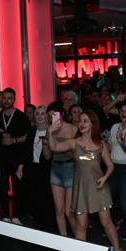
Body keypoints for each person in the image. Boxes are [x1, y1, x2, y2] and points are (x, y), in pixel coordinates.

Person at [48, 109, 125, 251]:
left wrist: (105, 177)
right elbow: (53, 147)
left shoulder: (100, 144)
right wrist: (50, 132)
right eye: (80, 121)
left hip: (99, 187)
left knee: (106, 223)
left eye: (85, 121)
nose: (81, 124)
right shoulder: (74, 143)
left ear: (92, 124)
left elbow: (110, 165)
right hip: (81, 189)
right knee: (81, 226)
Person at [0, 87, 30, 224]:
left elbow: (28, 136)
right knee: (2, 186)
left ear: (14, 99)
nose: (6, 101)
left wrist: (14, 140)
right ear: (1, 99)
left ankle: (17, 216)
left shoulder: (21, 116)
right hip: (1, 158)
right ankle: (5, 215)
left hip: (17, 157)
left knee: (18, 187)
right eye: (4, 98)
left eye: (9, 98)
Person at [16, 105, 54, 231]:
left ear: (47, 116)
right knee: (34, 201)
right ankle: (39, 228)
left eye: (43, 114)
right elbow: (26, 150)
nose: (40, 116)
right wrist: (20, 167)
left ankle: (50, 230)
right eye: (37, 114)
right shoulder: (32, 131)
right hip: (32, 170)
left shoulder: (52, 131)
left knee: (47, 201)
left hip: (47, 170)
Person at [47, 101, 78, 236]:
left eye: (55, 115)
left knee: (68, 211)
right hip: (55, 168)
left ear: (62, 114)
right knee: (59, 210)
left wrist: (60, 146)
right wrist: (47, 141)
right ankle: (63, 239)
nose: (53, 119)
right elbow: (47, 156)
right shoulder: (50, 130)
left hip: (70, 168)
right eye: (50, 117)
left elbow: (76, 154)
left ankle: (79, 240)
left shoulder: (72, 129)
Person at [107, 100, 126, 241]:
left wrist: (120, 140)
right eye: (122, 111)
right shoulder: (114, 126)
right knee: (109, 198)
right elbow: (109, 146)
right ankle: (112, 224)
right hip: (112, 166)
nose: (123, 113)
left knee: (125, 202)